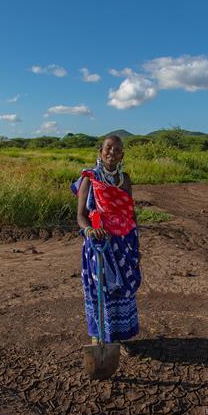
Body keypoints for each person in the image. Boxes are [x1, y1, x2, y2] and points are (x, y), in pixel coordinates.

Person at [70, 135, 141, 347]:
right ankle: (99, 337)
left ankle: (119, 337)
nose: (112, 152)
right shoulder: (89, 178)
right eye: (108, 148)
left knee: (122, 289)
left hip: (124, 243)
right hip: (99, 244)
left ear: (122, 156)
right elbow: (81, 215)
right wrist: (90, 230)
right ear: (100, 151)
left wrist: (136, 246)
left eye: (117, 150)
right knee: (101, 290)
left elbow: (131, 214)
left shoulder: (125, 179)